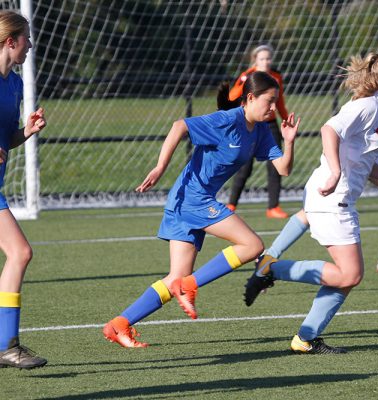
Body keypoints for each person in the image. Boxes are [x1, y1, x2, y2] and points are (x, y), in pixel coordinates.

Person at [103, 71, 300, 348]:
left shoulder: (262, 132)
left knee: (175, 278)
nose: (273, 108)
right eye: (269, 101)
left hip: (187, 201)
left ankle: (119, 325)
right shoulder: (229, 119)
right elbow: (179, 126)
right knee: (252, 245)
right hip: (193, 200)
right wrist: (160, 167)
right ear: (250, 98)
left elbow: (283, 169)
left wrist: (289, 140)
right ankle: (188, 286)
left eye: (276, 101)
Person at [244, 51, 378, 354]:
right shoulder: (368, 106)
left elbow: (359, 159)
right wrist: (334, 171)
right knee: (350, 274)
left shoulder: (373, 110)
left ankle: (305, 337)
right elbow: (328, 130)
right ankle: (271, 269)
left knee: (347, 278)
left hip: (334, 199)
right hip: (332, 199)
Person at [258, 26, 378, 282]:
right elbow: (349, 121)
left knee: (313, 210)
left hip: (364, 151)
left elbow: (368, 128)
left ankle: (269, 258)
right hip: (353, 156)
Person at [0, 10, 47, 369]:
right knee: (20, 253)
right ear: (10, 41)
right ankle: (6, 345)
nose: (31, 44)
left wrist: (26, 132)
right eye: (26, 38)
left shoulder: (14, 84)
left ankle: (6, 345)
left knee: (20, 253)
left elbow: (7, 139)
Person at [225, 44, 290, 219]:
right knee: (244, 166)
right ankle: (231, 205)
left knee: (275, 165)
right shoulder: (247, 76)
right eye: (262, 59)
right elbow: (232, 96)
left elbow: (280, 101)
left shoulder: (276, 76)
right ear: (255, 60)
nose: (266, 62)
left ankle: (273, 207)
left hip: (270, 125)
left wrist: (285, 119)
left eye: (268, 58)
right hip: (250, 124)